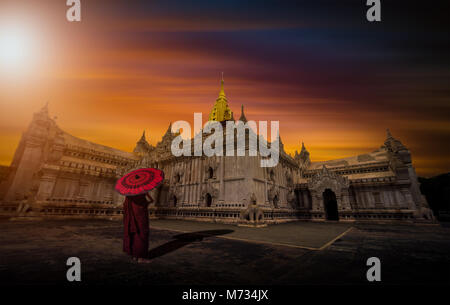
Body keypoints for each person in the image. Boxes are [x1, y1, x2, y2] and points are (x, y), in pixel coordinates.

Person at [123, 192, 153, 263]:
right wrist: (148, 200)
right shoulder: (142, 191)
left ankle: (135, 255)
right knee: (141, 234)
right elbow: (150, 200)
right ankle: (141, 257)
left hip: (132, 217)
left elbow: (125, 205)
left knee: (134, 234)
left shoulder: (129, 192)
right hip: (140, 217)